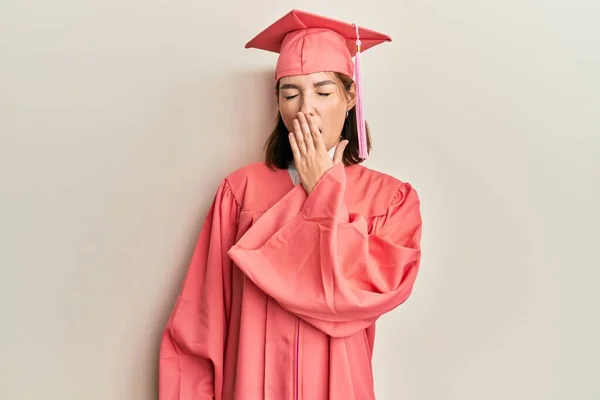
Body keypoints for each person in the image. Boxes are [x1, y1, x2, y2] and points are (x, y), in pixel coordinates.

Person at [159, 9, 423, 400]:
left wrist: (323, 190)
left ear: (351, 97)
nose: (306, 109)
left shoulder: (389, 199)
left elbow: (370, 290)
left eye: (323, 91)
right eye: (290, 93)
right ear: (278, 103)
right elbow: (202, 324)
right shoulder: (241, 191)